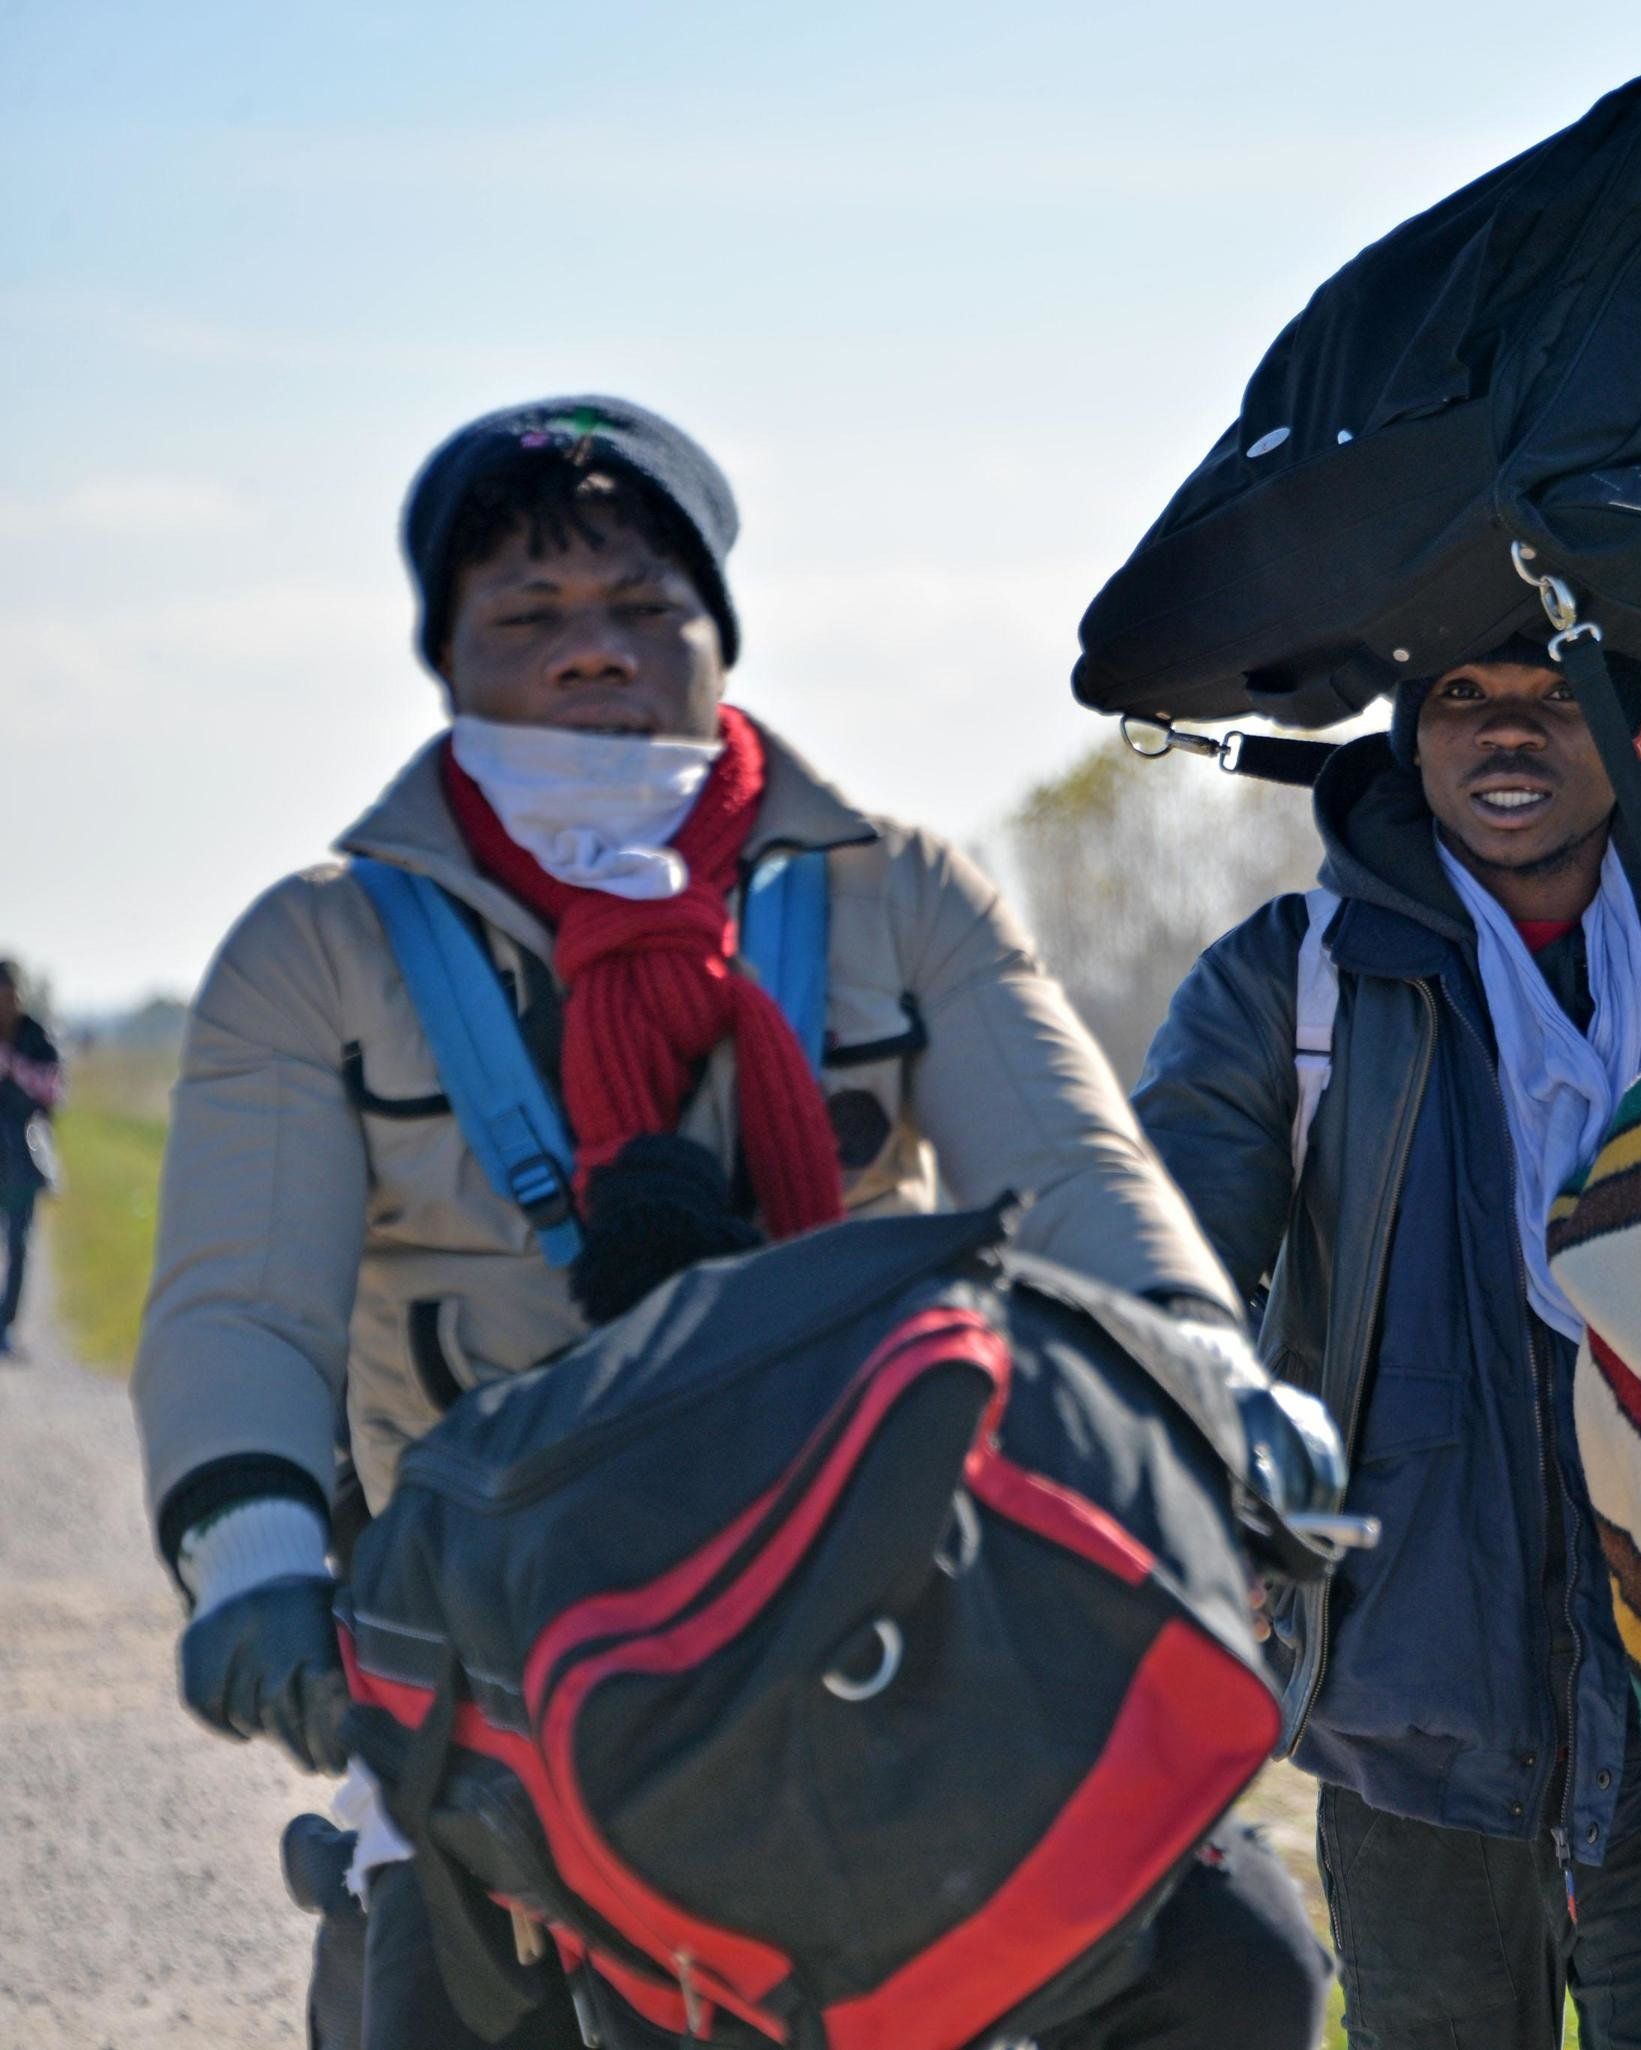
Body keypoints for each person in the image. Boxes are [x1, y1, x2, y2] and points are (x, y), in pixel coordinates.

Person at [132, 396, 1333, 2050]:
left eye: (643, 607)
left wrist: (1215, 1384)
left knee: (1238, 1968)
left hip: (880, 1587)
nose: (593, 653)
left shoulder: (894, 892)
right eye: (530, 616)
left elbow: (1074, 1178)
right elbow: (240, 1305)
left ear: (719, 638)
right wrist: (252, 1557)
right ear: (448, 657)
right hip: (504, 1653)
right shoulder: (318, 949)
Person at [1133, 638, 1641, 2049]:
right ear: (1411, 737)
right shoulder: (1295, 980)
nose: (1508, 736)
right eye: (1464, 700)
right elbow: (1155, 1270)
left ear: (1640, 724)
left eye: (1556, 696)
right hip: (1406, 1692)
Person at [0, 959, 63, 1359]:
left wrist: (15, 1068)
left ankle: (5, 1325)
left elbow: (55, 1093)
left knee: (19, 1244)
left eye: (9, 997)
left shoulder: (37, 1037)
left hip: (23, 1158)